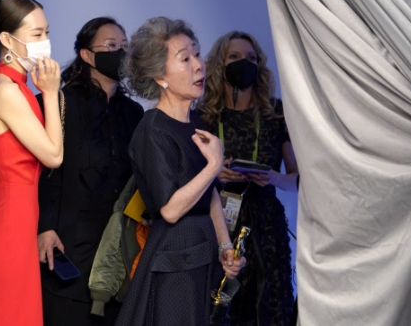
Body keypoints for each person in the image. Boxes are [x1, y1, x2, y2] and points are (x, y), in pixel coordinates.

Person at [114, 17, 246, 326]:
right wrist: (215, 164)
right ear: (161, 76)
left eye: (197, 54)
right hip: (174, 263)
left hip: (203, 254)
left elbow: (209, 193)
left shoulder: (196, 121)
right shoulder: (152, 130)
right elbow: (171, 210)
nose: (199, 65)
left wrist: (225, 246)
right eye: (185, 59)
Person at [36, 17, 144, 326]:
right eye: (111, 46)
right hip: (66, 241)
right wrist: (44, 226)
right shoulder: (60, 101)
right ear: (86, 55)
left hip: (114, 250)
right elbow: (42, 172)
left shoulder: (134, 113)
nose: (120, 52)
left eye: (125, 46)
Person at [197, 30, 298, 326]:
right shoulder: (204, 115)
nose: (244, 63)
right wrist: (215, 172)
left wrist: (272, 178)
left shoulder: (275, 113)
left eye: (251, 58)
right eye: (235, 57)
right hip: (220, 224)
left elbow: (297, 178)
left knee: (269, 303)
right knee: (220, 305)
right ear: (220, 64)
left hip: (267, 224)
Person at [0, 0, 63, 325]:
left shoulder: (20, 87)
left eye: (47, 33)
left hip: (22, 225)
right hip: (8, 228)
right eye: (37, 34)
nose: (45, 43)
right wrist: (52, 93)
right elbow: (54, 155)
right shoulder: (6, 90)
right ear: (6, 39)